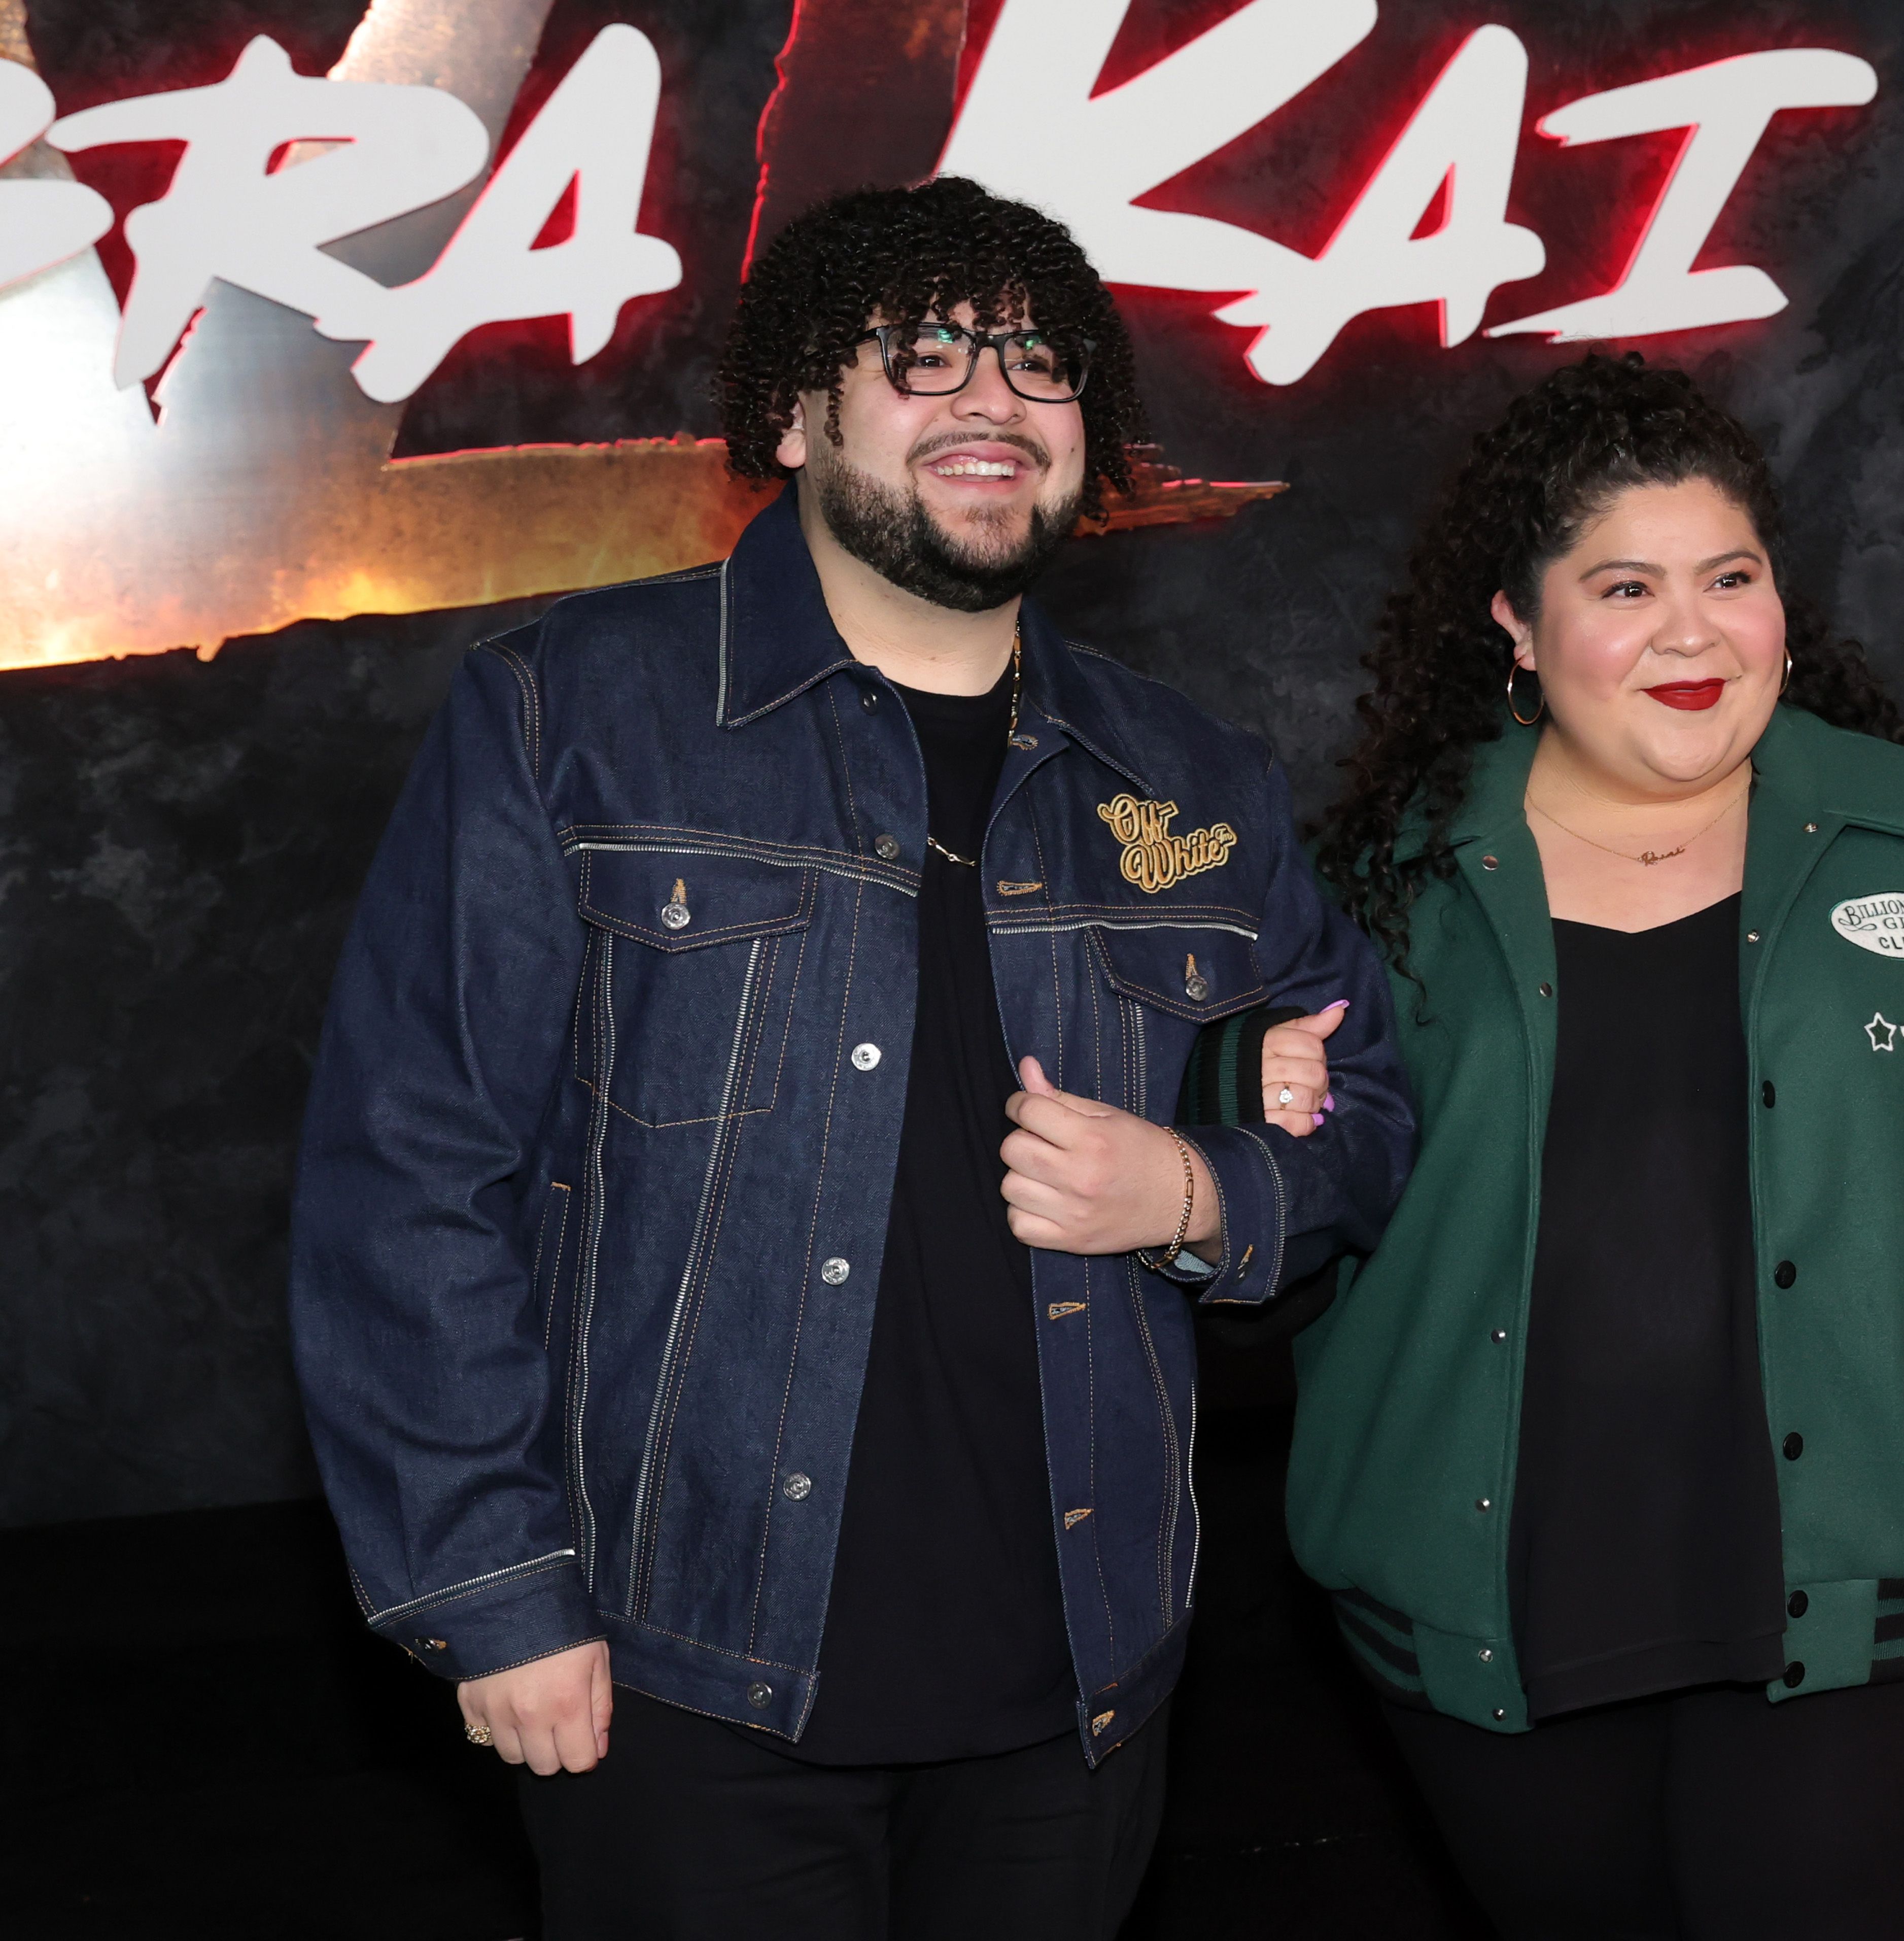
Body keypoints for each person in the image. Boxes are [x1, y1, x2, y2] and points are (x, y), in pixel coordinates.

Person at [287, 176, 1411, 1939]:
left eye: (1039, 362)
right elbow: (410, 1176)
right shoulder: (571, 710)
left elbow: (1376, 1111)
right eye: (925, 354)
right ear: (801, 411)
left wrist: (1199, 1184)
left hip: (1080, 1678)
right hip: (681, 1675)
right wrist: (491, 1583)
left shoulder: (1192, 780)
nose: (993, 400)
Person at [1282, 353, 1904, 1940]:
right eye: (1625, 585)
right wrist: (1248, 1110)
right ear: (1517, 626)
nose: (1692, 630)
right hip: (1482, 1620)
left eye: (1732, 575)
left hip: (1869, 1613)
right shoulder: (1376, 882)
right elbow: (1286, 1211)